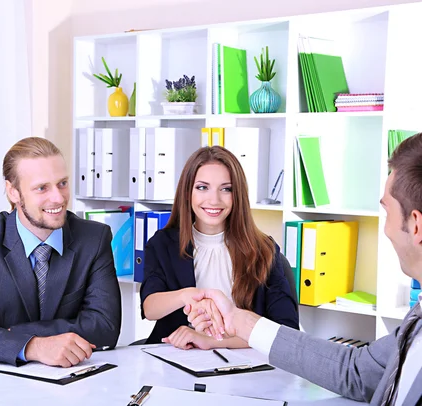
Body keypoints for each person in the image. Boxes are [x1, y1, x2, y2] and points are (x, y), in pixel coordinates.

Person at [187, 133, 422, 405]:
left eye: (386, 212)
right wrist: (237, 319)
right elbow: (357, 372)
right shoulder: (416, 321)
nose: (386, 229)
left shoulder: (263, 249)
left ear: (415, 225)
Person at [0, 137, 122, 367]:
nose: (58, 198)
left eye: (62, 183)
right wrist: (32, 346)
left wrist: (15, 333)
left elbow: (105, 326)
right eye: (42, 188)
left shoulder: (94, 238)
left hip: (72, 384)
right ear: (13, 192)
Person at [140, 145, 298, 349]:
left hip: (243, 367)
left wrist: (211, 342)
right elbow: (150, 308)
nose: (214, 200)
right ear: (188, 193)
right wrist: (187, 295)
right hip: (176, 359)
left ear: (237, 195)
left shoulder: (263, 249)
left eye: (226, 189)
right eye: (202, 187)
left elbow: (285, 331)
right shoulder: (163, 243)